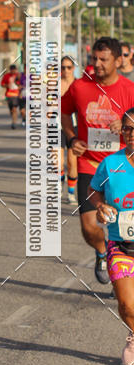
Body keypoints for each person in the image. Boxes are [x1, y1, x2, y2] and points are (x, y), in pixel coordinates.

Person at [61, 36, 134, 284]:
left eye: (103, 59)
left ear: (117, 60)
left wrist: (125, 124)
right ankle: (103, 251)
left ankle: (122, 267)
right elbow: (64, 112)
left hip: (123, 165)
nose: (97, 64)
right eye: (94, 58)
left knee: (124, 222)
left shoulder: (129, 89)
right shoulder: (80, 87)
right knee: (89, 226)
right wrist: (71, 139)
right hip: (89, 165)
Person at [89, 108, 134, 365]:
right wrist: (99, 205)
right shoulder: (111, 163)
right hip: (121, 245)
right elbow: (94, 190)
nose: (131, 134)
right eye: (127, 128)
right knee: (127, 306)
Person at [60, 56, 78, 205]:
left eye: (69, 67)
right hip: (57, 126)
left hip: (75, 127)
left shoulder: (78, 85)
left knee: (72, 163)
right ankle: (60, 185)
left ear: (73, 68)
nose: (65, 70)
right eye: (63, 67)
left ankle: (71, 193)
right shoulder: (54, 85)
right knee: (57, 163)